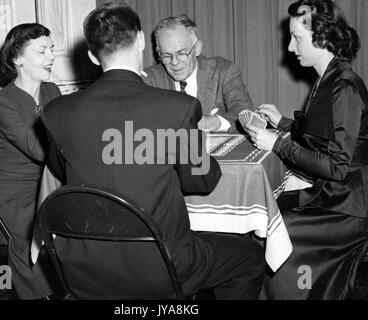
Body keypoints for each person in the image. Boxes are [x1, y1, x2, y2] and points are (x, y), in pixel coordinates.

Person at [42, 2, 265, 299]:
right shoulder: (177, 109)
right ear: (141, 41)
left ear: (93, 56)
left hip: (82, 267)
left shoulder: (56, 112)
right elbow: (203, 180)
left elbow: (62, 172)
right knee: (249, 256)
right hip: (161, 266)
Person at [244, 0, 368, 299]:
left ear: (323, 37)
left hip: (350, 208)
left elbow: (337, 166)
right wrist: (283, 123)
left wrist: (278, 144)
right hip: (333, 195)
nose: (289, 47)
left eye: (297, 38)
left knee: (278, 230)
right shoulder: (328, 79)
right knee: (265, 216)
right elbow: (321, 137)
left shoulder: (344, 88)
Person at [0, 23, 61, 299]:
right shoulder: (3, 104)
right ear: (18, 59)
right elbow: (41, 149)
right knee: (38, 227)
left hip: (49, 183)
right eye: (42, 51)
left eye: (51, 49)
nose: (51, 57)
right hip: (14, 194)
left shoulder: (52, 91)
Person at [142, 14, 254, 132]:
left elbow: (246, 113)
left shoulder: (223, 71)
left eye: (181, 53)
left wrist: (215, 122)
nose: (174, 62)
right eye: (166, 55)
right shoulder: (148, 80)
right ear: (158, 53)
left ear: (197, 49)